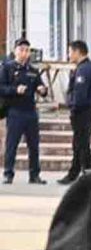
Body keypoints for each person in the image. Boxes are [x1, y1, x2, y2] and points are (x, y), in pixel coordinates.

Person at [2, 38, 47, 185]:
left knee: (34, 145)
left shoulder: (32, 71)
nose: (24, 53)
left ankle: (34, 175)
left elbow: (41, 87)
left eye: (27, 50)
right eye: (21, 50)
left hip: (30, 112)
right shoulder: (7, 68)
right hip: (15, 111)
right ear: (15, 51)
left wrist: (42, 90)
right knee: (12, 144)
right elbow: (1, 88)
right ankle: (8, 173)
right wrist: (15, 90)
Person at [58, 39, 91, 184]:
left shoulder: (83, 70)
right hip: (89, 112)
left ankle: (89, 176)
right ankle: (73, 173)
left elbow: (79, 95)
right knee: (79, 144)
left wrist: (72, 106)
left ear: (77, 52)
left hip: (83, 113)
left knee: (82, 145)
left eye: (70, 51)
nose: (68, 54)